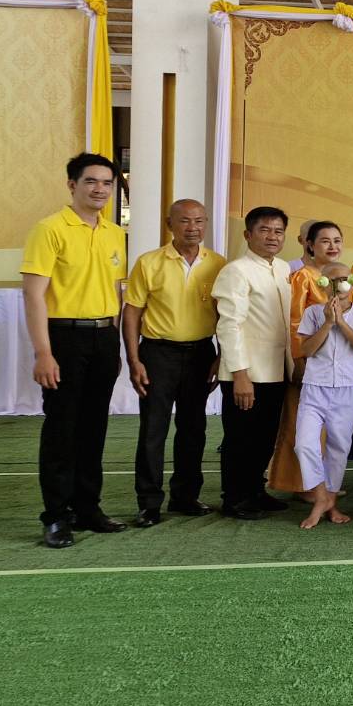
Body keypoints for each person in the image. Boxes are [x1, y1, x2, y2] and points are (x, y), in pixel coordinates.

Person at [22, 152, 128, 548]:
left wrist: (114, 342)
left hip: (104, 337)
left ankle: (88, 507)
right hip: (63, 337)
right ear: (72, 185)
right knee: (61, 429)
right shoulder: (49, 229)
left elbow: (116, 292)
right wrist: (42, 353)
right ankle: (55, 516)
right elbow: (33, 296)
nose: (100, 189)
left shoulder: (115, 233)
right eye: (91, 182)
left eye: (107, 183)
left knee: (94, 427)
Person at [123, 199, 226, 527]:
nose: (192, 228)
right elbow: (132, 312)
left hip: (201, 354)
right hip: (158, 354)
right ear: (170, 224)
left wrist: (222, 355)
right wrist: (134, 358)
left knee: (194, 428)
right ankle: (149, 503)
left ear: (206, 224)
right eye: (184, 221)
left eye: (199, 221)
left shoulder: (218, 264)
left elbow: (226, 315)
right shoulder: (149, 262)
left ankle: (185, 496)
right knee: (153, 429)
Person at [212, 206, 293, 520]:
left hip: (276, 369)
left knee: (265, 437)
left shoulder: (284, 269)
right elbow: (229, 325)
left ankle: (256, 491)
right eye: (264, 230)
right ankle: (234, 498)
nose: (272, 237)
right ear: (248, 234)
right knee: (240, 438)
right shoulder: (237, 270)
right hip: (247, 372)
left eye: (278, 231)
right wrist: (240, 375)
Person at [294, 262, 353, 529]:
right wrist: (328, 323)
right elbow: (306, 349)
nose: (337, 285)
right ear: (322, 284)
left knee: (339, 447)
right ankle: (321, 497)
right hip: (315, 386)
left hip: (348, 388)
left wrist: (341, 322)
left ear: (351, 283)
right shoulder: (313, 313)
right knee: (304, 444)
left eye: (343, 279)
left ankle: (330, 501)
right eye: (330, 280)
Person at [269, 219, 341, 495]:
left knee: (327, 427)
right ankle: (300, 485)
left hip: (332, 364)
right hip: (309, 362)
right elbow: (295, 322)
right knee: (301, 426)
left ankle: (320, 484)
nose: (332, 246)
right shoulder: (304, 276)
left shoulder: (339, 277)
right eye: (325, 241)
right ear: (310, 245)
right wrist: (299, 362)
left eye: (336, 240)